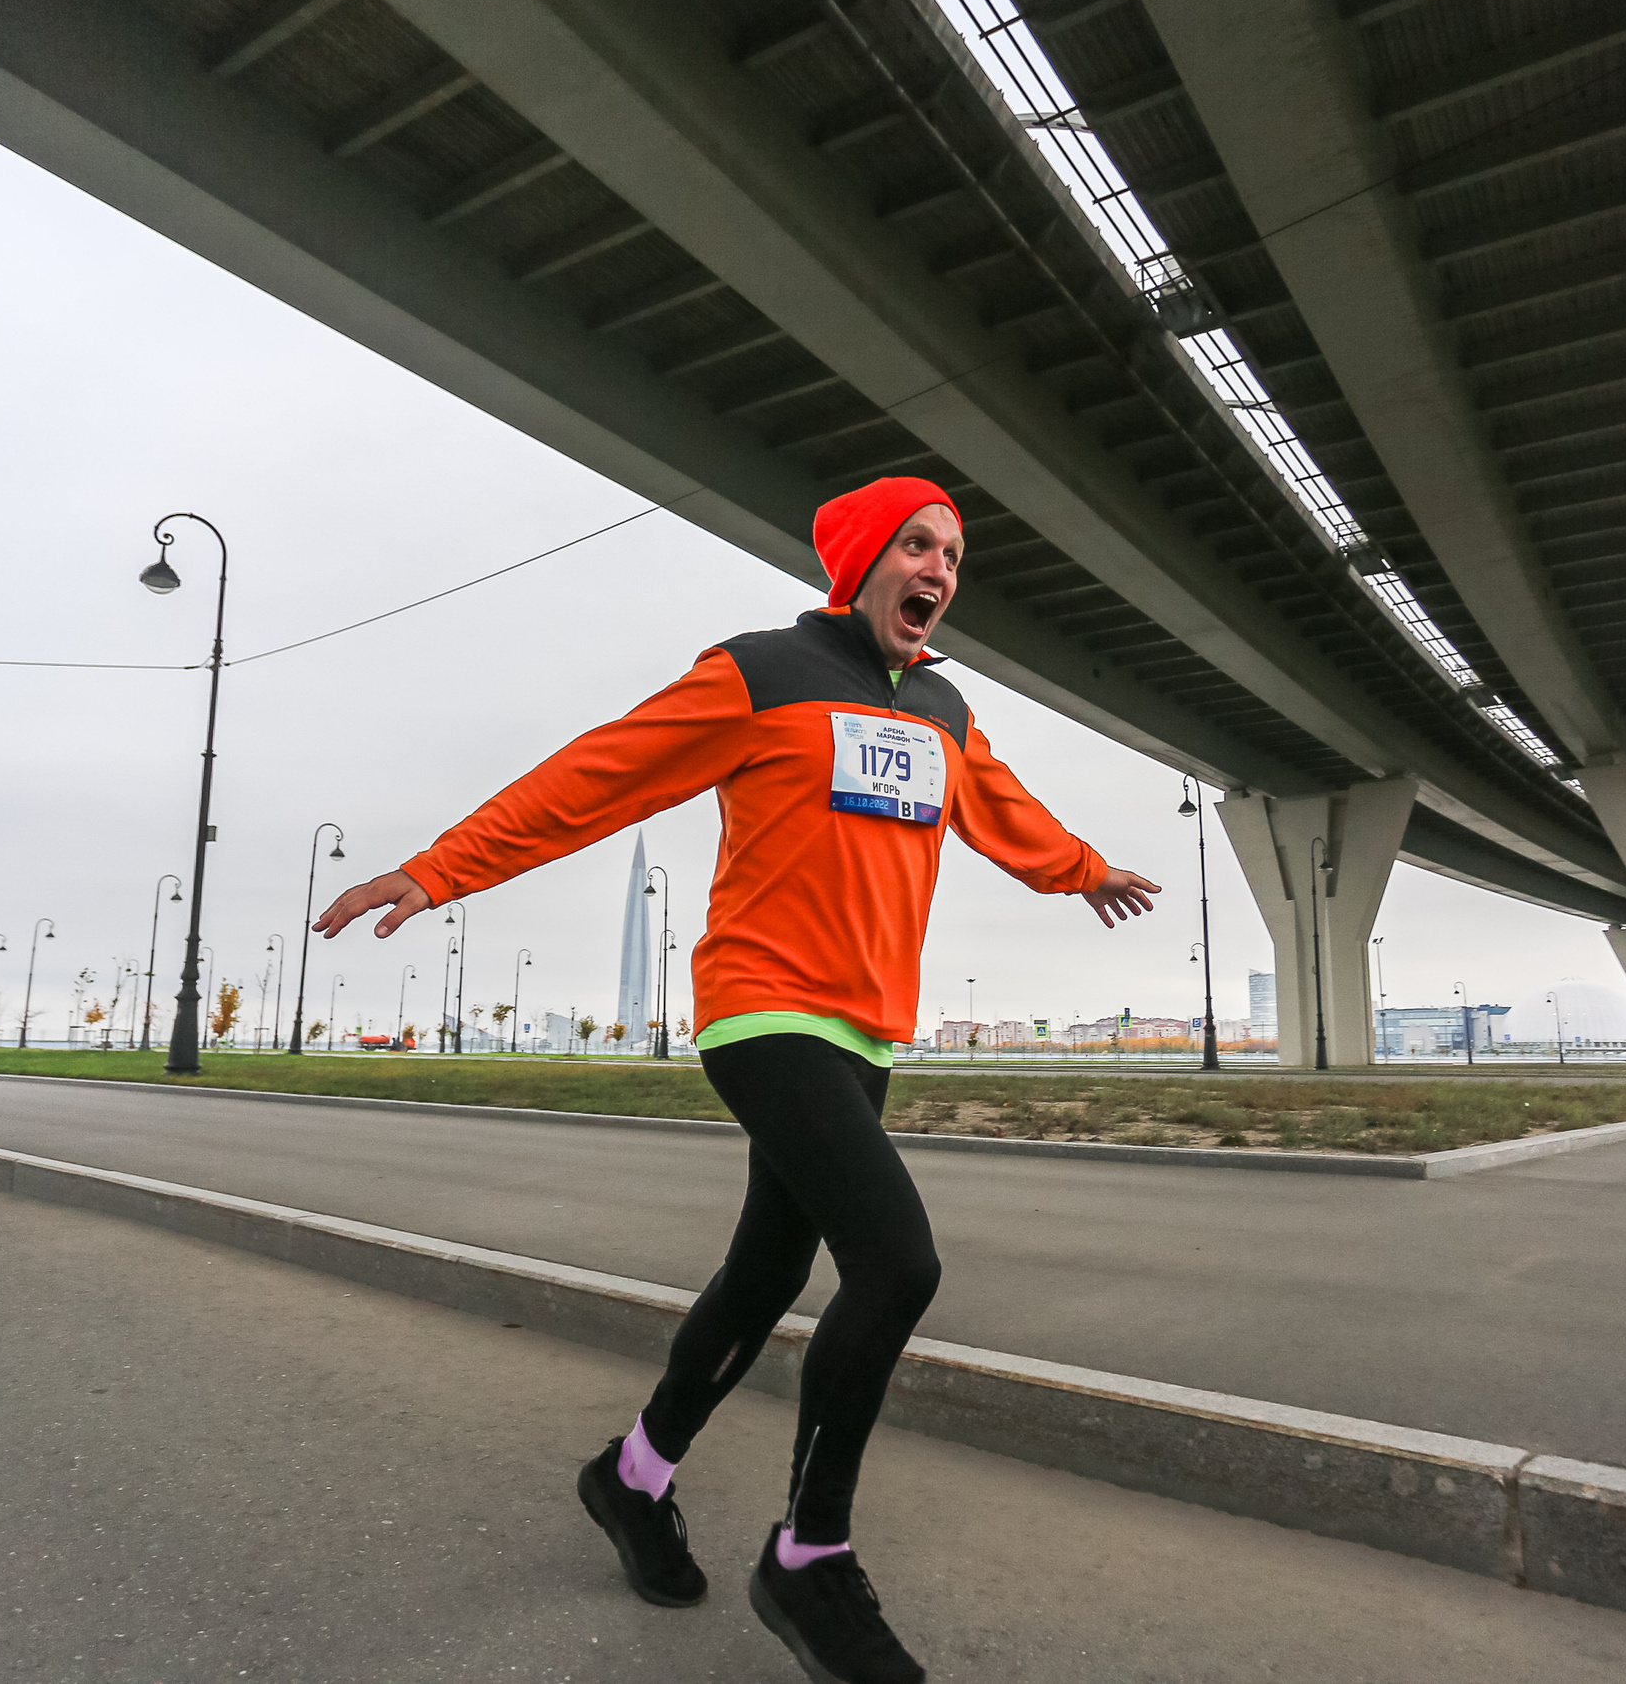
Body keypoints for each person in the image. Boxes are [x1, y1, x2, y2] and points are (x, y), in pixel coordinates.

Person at [316, 476, 1158, 1683]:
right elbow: (599, 774)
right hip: (763, 1007)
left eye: (954, 555)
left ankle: (634, 1476)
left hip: (866, 1029)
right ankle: (809, 1559)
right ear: (864, 559)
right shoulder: (760, 671)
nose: (939, 571)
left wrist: (1081, 869)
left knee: (769, 1269)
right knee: (896, 1262)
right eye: (917, 546)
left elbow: (998, 807)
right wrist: (439, 870)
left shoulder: (942, 707)